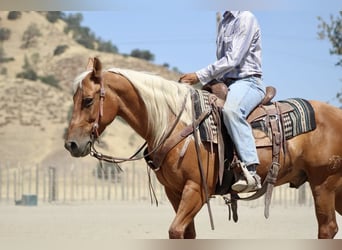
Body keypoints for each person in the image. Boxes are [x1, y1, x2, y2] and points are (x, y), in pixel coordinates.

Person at [179, 11, 266, 193]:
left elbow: (233, 59)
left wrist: (198, 75)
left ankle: (251, 171)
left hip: (248, 81)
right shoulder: (224, 21)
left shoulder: (245, 17)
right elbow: (222, 62)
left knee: (232, 111)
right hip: (227, 83)